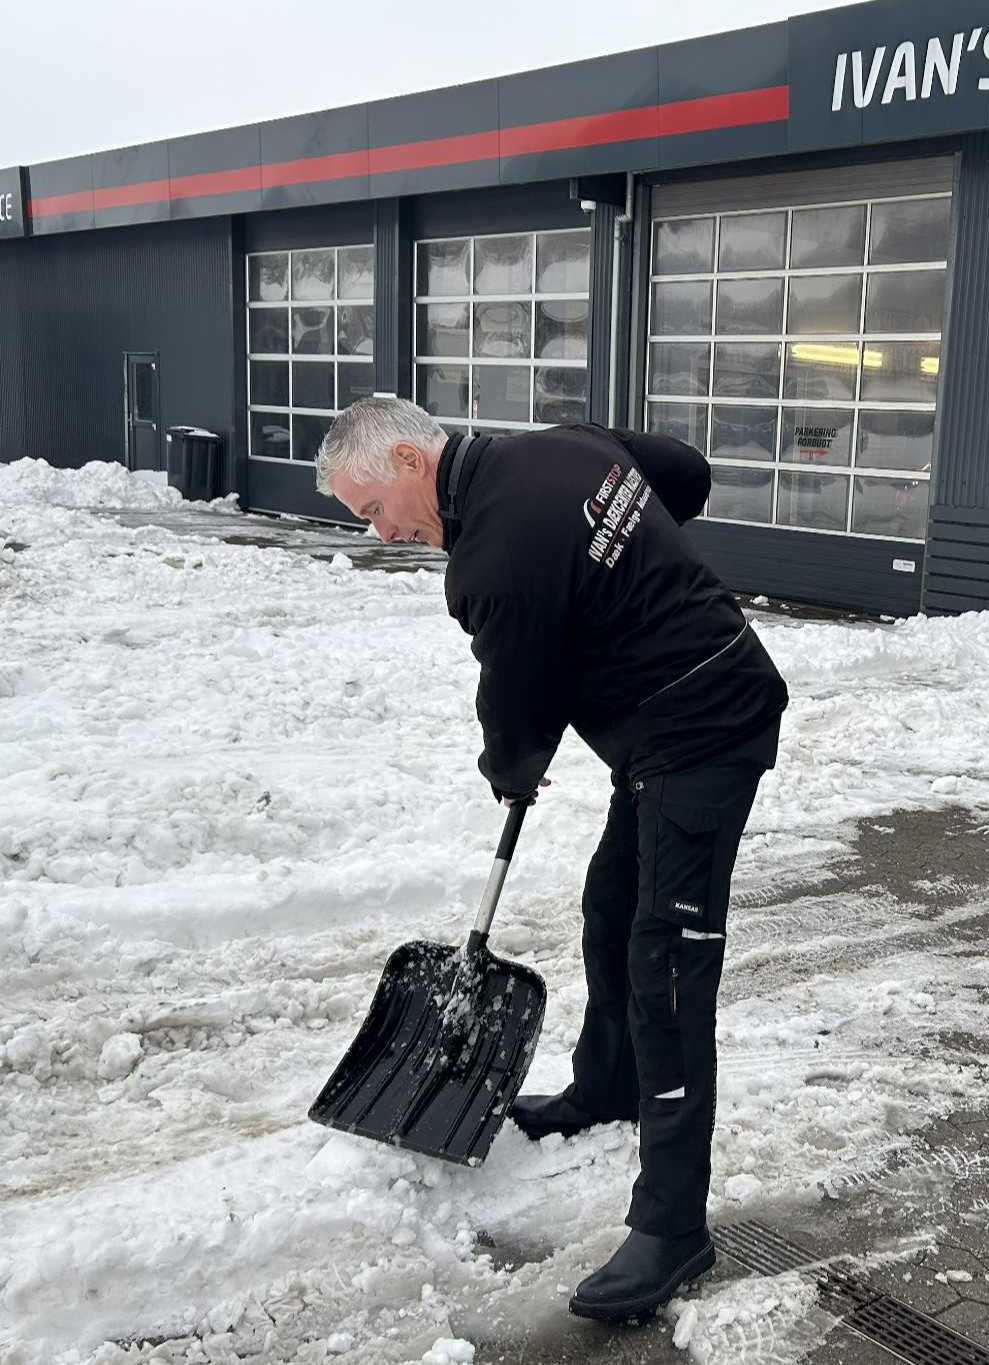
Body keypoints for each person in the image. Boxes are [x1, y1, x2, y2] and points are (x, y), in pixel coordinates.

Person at [315, 397, 788, 1321]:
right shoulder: (560, 449)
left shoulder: (494, 555)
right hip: (661, 733)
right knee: (611, 908)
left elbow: (519, 700)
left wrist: (510, 769)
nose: (384, 533)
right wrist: (622, 565)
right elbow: (684, 470)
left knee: (670, 967)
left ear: (411, 458)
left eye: (373, 509)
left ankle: (672, 1227)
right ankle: (609, 1085)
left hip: (705, 729)